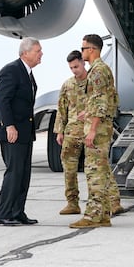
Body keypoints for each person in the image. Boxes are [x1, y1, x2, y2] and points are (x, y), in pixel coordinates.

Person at [70, 34, 123, 228]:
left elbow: (101, 102)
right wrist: (89, 112)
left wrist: (92, 128)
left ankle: (93, 216)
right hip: (100, 125)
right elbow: (110, 99)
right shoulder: (100, 70)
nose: (82, 51)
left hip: (98, 130)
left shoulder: (98, 71)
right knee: (100, 170)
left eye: (83, 48)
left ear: (91, 50)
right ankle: (102, 215)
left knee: (94, 173)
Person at [0, 37, 42, 226]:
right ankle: (3, 213)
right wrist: (9, 126)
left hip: (24, 132)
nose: (41, 54)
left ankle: (17, 211)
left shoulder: (27, 73)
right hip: (13, 132)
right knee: (14, 172)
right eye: (38, 51)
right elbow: (2, 100)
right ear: (25, 53)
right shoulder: (11, 71)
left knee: (23, 173)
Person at [54, 50, 88, 215]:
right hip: (72, 132)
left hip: (91, 131)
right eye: (71, 68)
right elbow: (61, 110)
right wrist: (60, 131)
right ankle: (72, 202)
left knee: (97, 168)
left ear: (83, 62)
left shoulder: (94, 82)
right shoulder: (68, 85)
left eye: (76, 66)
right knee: (69, 167)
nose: (74, 70)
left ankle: (112, 202)